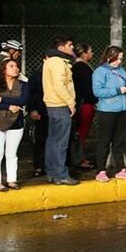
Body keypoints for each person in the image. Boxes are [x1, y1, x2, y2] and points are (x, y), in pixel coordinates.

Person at [92, 46, 126, 182]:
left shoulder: (121, 71)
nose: (119, 62)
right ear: (109, 57)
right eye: (117, 59)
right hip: (107, 111)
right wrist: (118, 90)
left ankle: (120, 169)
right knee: (104, 141)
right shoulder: (100, 72)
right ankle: (101, 170)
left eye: (121, 59)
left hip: (122, 110)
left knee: (119, 141)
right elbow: (98, 91)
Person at [43, 34, 78, 185]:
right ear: (61, 47)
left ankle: (52, 173)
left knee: (53, 140)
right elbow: (59, 85)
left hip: (53, 105)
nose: (73, 48)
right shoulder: (58, 62)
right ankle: (61, 174)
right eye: (70, 45)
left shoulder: (50, 61)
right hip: (60, 105)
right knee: (61, 142)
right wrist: (71, 103)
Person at [0, 58, 29, 191]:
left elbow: (23, 100)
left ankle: (12, 180)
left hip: (16, 122)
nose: (15, 68)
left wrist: (2, 99)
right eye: (11, 66)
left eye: (17, 66)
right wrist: (9, 106)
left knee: (12, 153)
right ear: (4, 69)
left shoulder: (23, 84)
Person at [71, 43, 97, 169]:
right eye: (91, 51)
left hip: (81, 103)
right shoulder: (83, 67)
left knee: (80, 131)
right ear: (84, 53)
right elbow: (88, 88)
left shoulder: (77, 66)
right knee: (82, 131)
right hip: (85, 104)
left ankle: (78, 157)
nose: (92, 54)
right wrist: (94, 101)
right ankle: (79, 158)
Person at [27, 56, 48, 177]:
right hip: (41, 111)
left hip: (55, 110)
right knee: (41, 139)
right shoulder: (37, 75)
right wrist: (32, 109)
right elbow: (30, 93)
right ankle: (39, 166)